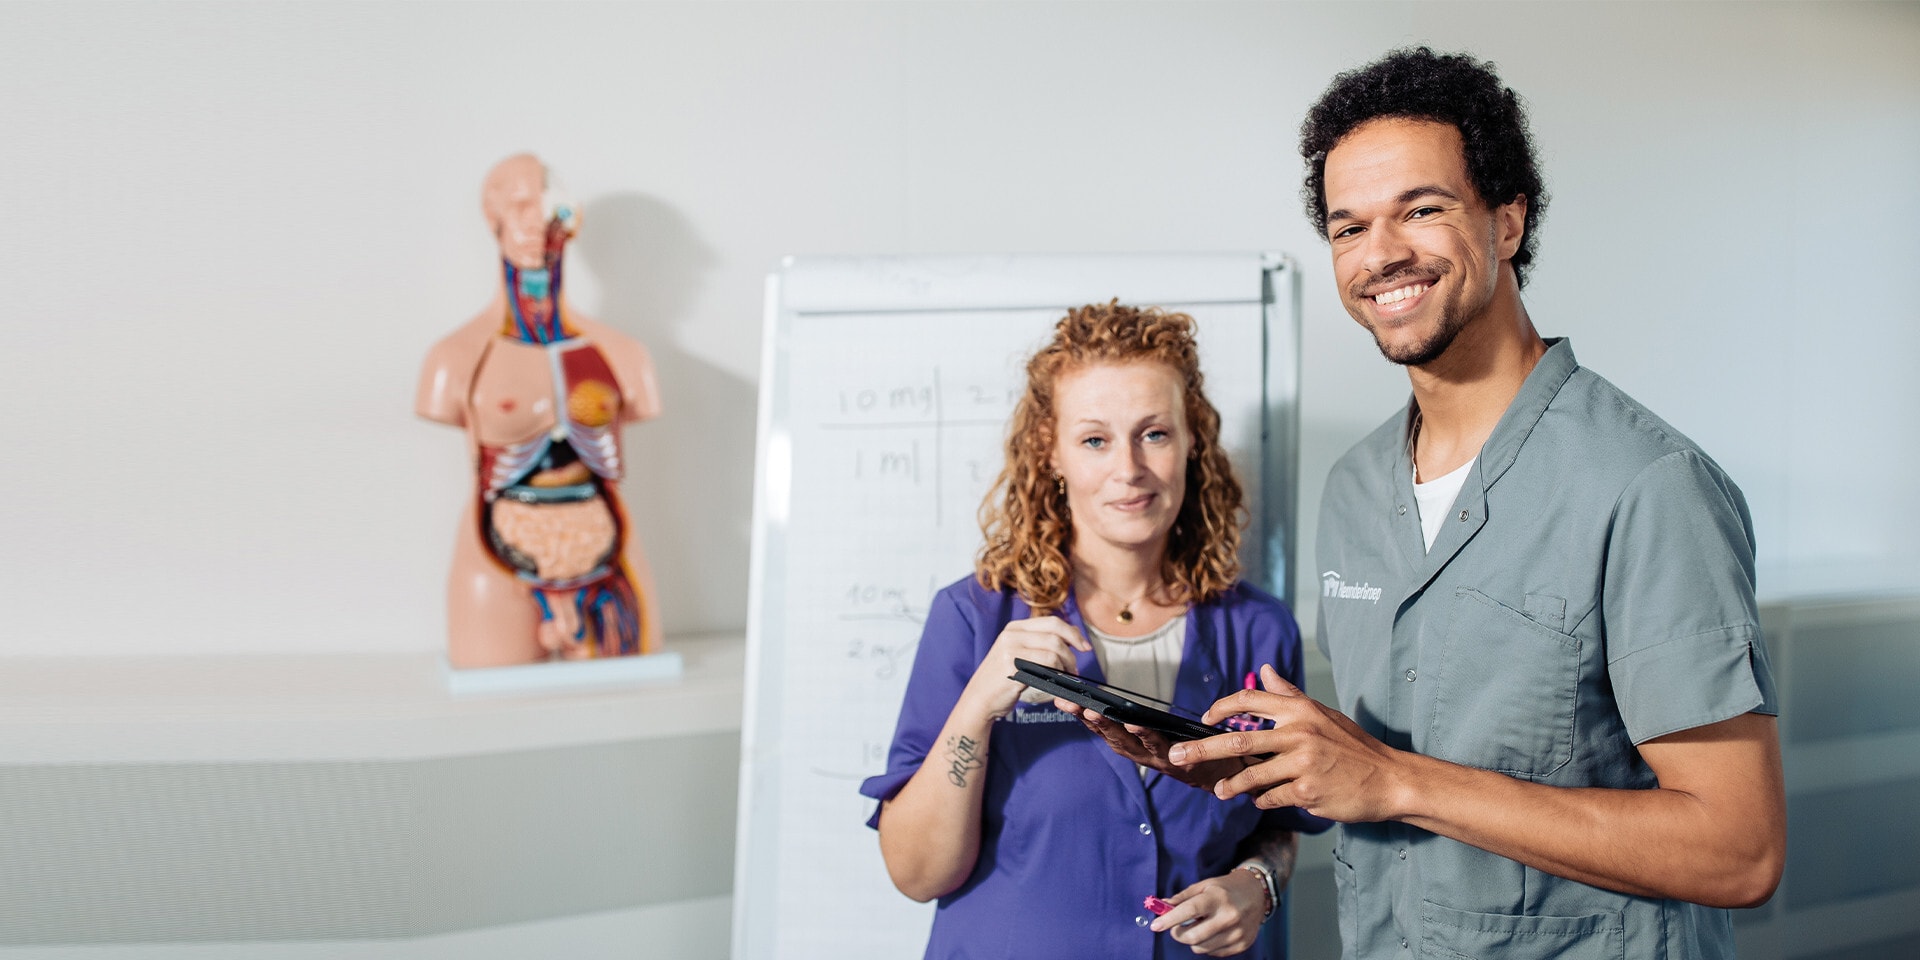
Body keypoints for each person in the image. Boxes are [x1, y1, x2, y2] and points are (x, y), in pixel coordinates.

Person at [1154, 48, 1785, 959]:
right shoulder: (1355, 489)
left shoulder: (1648, 487)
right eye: (1347, 227)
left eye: (1422, 209)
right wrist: (1265, 759)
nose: (1381, 255)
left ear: (1508, 221)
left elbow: (1740, 851)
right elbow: (1389, 757)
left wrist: (1397, 781)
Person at [859, 301, 1326, 959]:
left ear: (1193, 439)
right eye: (1095, 440)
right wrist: (977, 708)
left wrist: (1257, 886)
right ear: (1050, 453)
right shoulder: (972, 620)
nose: (1129, 470)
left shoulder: (1258, 630)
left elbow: (1278, 821)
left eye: (1154, 434)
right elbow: (917, 873)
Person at [415, 153, 664, 667]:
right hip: (496, 551)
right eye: (519, 205)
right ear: (493, 217)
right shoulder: (455, 359)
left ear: (570, 219)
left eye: (546, 205)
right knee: (495, 719)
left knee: (623, 709)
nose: (534, 222)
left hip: (606, 548)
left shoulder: (622, 356)